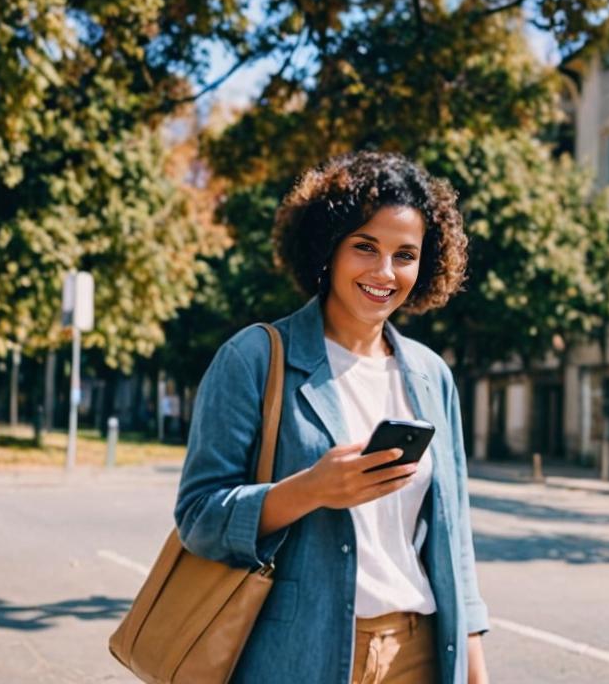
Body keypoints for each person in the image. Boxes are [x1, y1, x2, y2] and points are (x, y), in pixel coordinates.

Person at [175, 151, 489, 684]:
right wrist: (312, 489)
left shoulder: (432, 375)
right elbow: (199, 518)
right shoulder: (254, 357)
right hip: (295, 655)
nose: (384, 272)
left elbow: (456, 542)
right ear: (328, 248)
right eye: (364, 247)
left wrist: (476, 673)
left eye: (405, 254)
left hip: (417, 654)